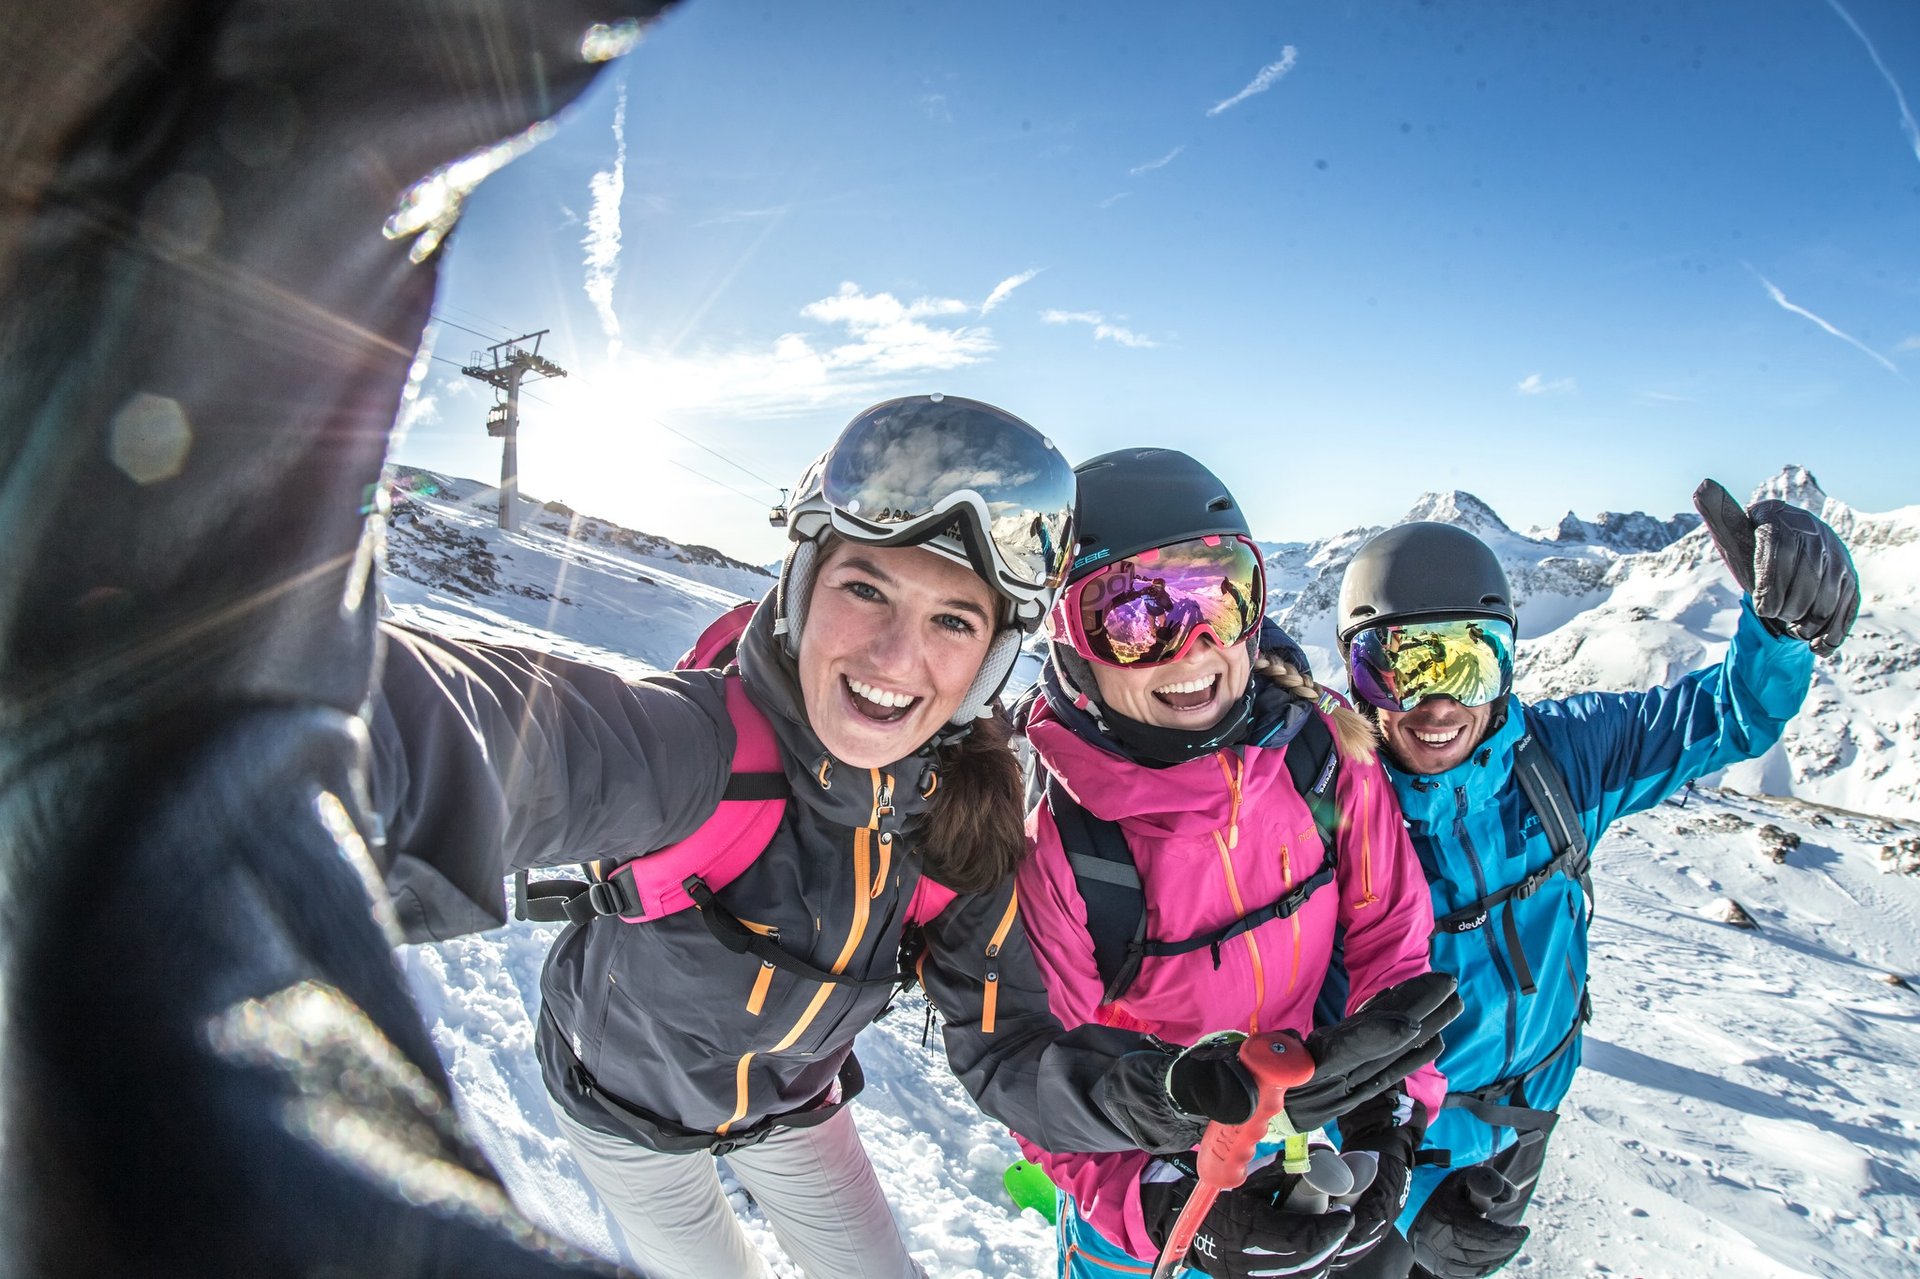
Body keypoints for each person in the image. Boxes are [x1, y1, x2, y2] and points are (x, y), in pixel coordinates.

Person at [371, 398, 1363, 1279]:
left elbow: (1008, 1049)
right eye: (867, 590)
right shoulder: (692, 750)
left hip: (796, 1107)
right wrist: (279, 723)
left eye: (954, 620)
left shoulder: (961, 818)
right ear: (804, 586)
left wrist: (1161, 1095)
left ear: (990, 659)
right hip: (627, 1113)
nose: (897, 657)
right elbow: (463, 730)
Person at [1328, 498, 1860, 1279]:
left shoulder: (1561, 761)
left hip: (1526, 1125)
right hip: (1394, 1147)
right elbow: (1294, 1029)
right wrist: (1411, 1192)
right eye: (1399, 665)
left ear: (1507, 667)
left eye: (1468, 661)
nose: (1436, 704)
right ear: (1358, 678)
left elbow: (1727, 715)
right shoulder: (1323, 820)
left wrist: (1776, 636)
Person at [1009, 448, 1462, 1279]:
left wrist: (1387, 1109)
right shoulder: (1059, 840)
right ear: (1072, 642)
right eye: (1133, 617)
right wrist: (1153, 1200)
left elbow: (1390, 940)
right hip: (1147, 1188)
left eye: (1222, 597)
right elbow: (1038, 1075)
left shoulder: (1321, 748)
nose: (1193, 650)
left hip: (1302, 1145)